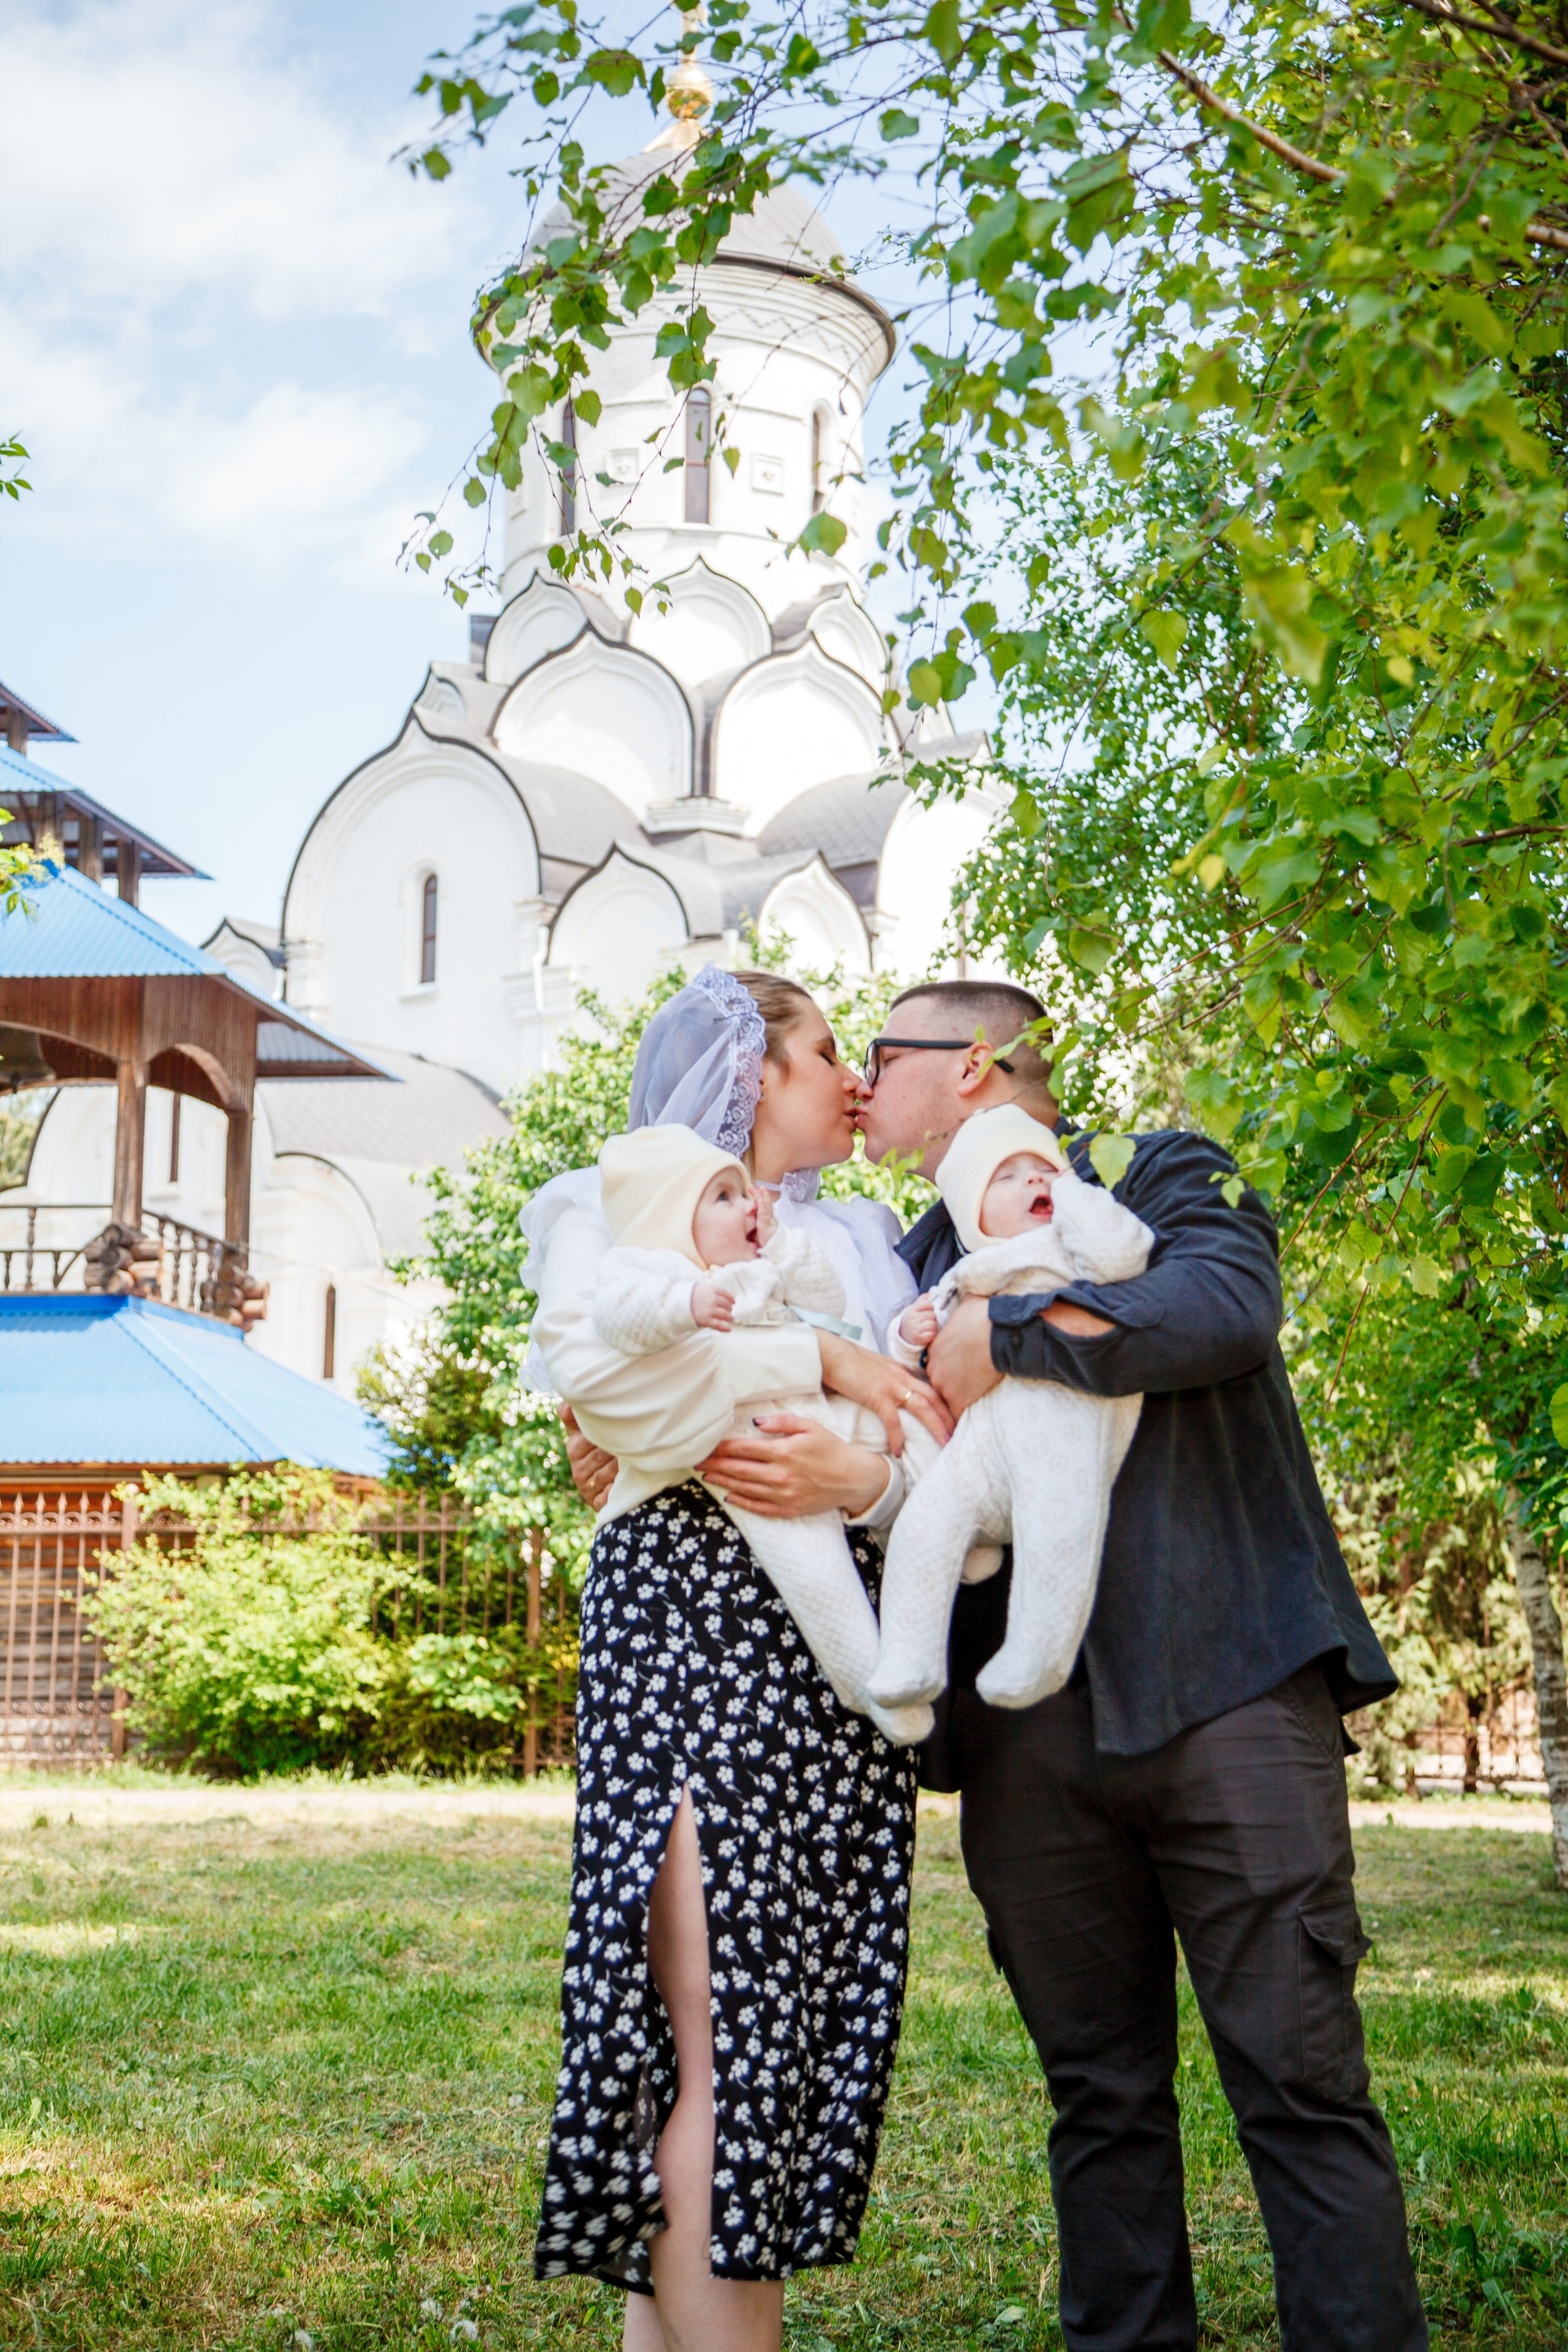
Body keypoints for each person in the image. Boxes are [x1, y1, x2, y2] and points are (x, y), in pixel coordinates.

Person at [856, 978, 1428, 2352]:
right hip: (1022, 1738)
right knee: (1097, 2096)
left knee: (1297, 2079)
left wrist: (994, 1341)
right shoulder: (899, 1255)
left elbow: (1217, 1312)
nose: (862, 1081)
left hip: (1229, 1686)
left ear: (977, 1066)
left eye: (883, 1052)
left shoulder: (1159, 1169)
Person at [526, 964, 950, 2352]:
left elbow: (926, 1446)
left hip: (804, 1680)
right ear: (755, 1074)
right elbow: (629, 1403)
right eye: (826, 1047)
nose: (850, 1076)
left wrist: (860, 1448)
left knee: (740, 2051)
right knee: (725, 2046)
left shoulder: (862, 1246)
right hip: (706, 1651)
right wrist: (823, 1379)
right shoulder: (631, 1227)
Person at [590, 1121, 935, 1745]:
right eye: (722, 1197)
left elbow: (825, 1302)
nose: (748, 1205)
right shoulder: (647, 1265)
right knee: (814, 1566)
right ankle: (876, 1686)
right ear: (671, 1216)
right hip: (747, 1443)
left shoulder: (757, 1263)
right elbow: (618, 1318)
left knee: (906, 1424)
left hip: (815, 1409)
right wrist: (684, 1305)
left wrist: (779, 1243)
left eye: (745, 1192)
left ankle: (958, 1528)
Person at [869, 1101, 1154, 1716]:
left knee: (1059, 1521)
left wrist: (1077, 1198)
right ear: (972, 1215)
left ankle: (1038, 1651)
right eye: (1006, 1176)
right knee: (925, 1525)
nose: (1033, 1180)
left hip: (1062, 1420)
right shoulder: (967, 1273)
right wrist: (909, 1335)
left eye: (1044, 1169)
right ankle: (906, 1659)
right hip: (978, 1446)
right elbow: (923, 1363)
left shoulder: (1074, 1248)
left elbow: (1124, 1257)